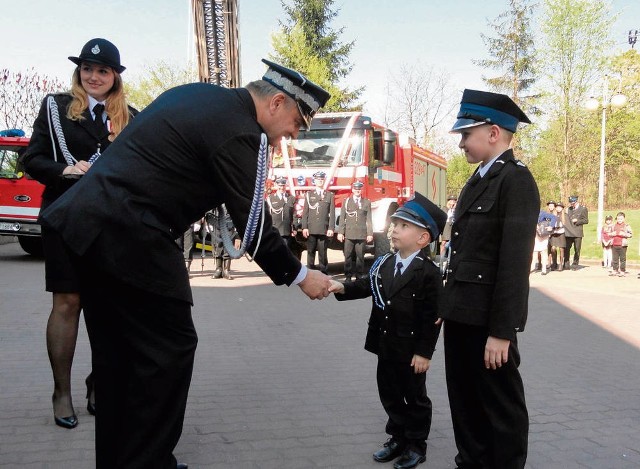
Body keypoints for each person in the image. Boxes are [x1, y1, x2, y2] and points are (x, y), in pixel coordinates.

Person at [38, 59, 332, 468]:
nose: (293, 135)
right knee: (167, 350)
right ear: (277, 102)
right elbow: (253, 223)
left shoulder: (202, 95)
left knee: (117, 359)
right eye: (297, 123)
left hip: (88, 227)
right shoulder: (240, 129)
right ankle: (149, 461)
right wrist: (301, 275)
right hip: (129, 236)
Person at [22, 38, 137, 430]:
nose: (93, 76)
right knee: (67, 304)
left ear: (115, 77)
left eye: (102, 70)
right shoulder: (55, 108)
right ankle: (61, 392)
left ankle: (98, 385)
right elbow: (31, 158)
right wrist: (64, 171)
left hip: (110, 226)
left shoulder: (130, 118)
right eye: (87, 68)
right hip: (65, 219)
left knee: (107, 309)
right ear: (79, 72)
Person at [440, 89, 540, 469]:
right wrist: (444, 305)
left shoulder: (516, 181)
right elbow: (461, 255)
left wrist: (502, 330)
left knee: (501, 407)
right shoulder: (477, 180)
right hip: (462, 314)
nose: (462, 142)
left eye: (467, 134)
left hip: (487, 322)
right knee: (464, 402)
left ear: (494, 133)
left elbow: (514, 263)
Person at [329, 193, 446, 469]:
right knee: (390, 393)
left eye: (403, 226)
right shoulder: (385, 263)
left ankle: (416, 444)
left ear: (423, 239)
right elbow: (365, 286)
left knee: (415, 398)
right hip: (386, 345)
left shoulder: (428, 273)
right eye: (394, 224)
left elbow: (433, 318)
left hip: (411, 350)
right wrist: (340, 287)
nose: (393, 229)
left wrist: (424, 353)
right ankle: (397, 438)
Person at [337, 180, 373, 281]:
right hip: (349, 233)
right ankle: (348, 276)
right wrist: (340, 232)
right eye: (356, 189)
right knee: (348, 256)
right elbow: (342, 218)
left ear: (361, 190)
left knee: (360, 256)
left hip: (361, 233)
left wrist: (370, 233)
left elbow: (369, 219)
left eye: (359, 189)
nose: (357, 191)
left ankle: (359, 275)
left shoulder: (366, 202)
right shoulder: (347, 201)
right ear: (352, 190)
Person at [302, 171, 336, 274]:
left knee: (323, 252)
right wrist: (304, 227)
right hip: (311, 228)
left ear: (324, 181)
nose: (320, 181)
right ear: (315, 181)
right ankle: (310, 272)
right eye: (318, 179)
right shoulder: (309, 195)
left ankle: (323, 272)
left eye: (321, 179)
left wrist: (331, 228)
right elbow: (305, 213)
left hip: (323, 228)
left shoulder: (329, 195)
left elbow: (332, 213)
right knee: (310, 252)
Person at [267, 176, 297, 252]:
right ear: (276, 185)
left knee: (285, 251)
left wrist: (295, 228)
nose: (281, 187)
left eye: (283, 185)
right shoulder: (270, 198)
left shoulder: (291, 198)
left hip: (286, 230)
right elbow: (267, 215)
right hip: (274, 229)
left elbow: (294, 214)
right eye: (280, 185)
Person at [563, 195, 589, 270]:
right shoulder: (569, 209)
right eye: (571, 202)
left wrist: (577, 221)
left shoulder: (583, 209)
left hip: (577, 232)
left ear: (576, 201)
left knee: (577, 249)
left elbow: (586, 220)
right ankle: (566, 263)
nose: (572, 204)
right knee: (566, 248)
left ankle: (575, 264)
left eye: (573, 202)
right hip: (569, 232)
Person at [532, 209, 556, 275]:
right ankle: (532, 267)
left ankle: (544, 269)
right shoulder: (529, 212)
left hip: (543, 234)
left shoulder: (542, 213)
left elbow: (553, 217)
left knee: (543, 251)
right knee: (534, 251)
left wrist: (551, 226)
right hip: (536, 234)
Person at [609, 212, 633, 277]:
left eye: (621, 219)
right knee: (615, 258)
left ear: (624, 219)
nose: (619, 220)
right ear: (616, 218)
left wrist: (624, 234)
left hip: (622, 245)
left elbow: (630, 234)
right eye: (618, 219)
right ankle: (615, 270)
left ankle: (622, 271)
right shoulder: (613, 226)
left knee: (622, 259)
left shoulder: (626, 226)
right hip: (614, 244)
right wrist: (612, 234)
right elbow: (609, 233)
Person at [549, 202, 566, 271]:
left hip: (561, 233)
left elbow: (567, 225)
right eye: (557, 207)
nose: (558, 208)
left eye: (560, 207)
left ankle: (561, 264)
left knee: (561, 249)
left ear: (562, 208)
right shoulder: (553, 214)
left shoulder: (564, 215)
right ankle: (554, 263)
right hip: (554, 233)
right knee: (553, 248)